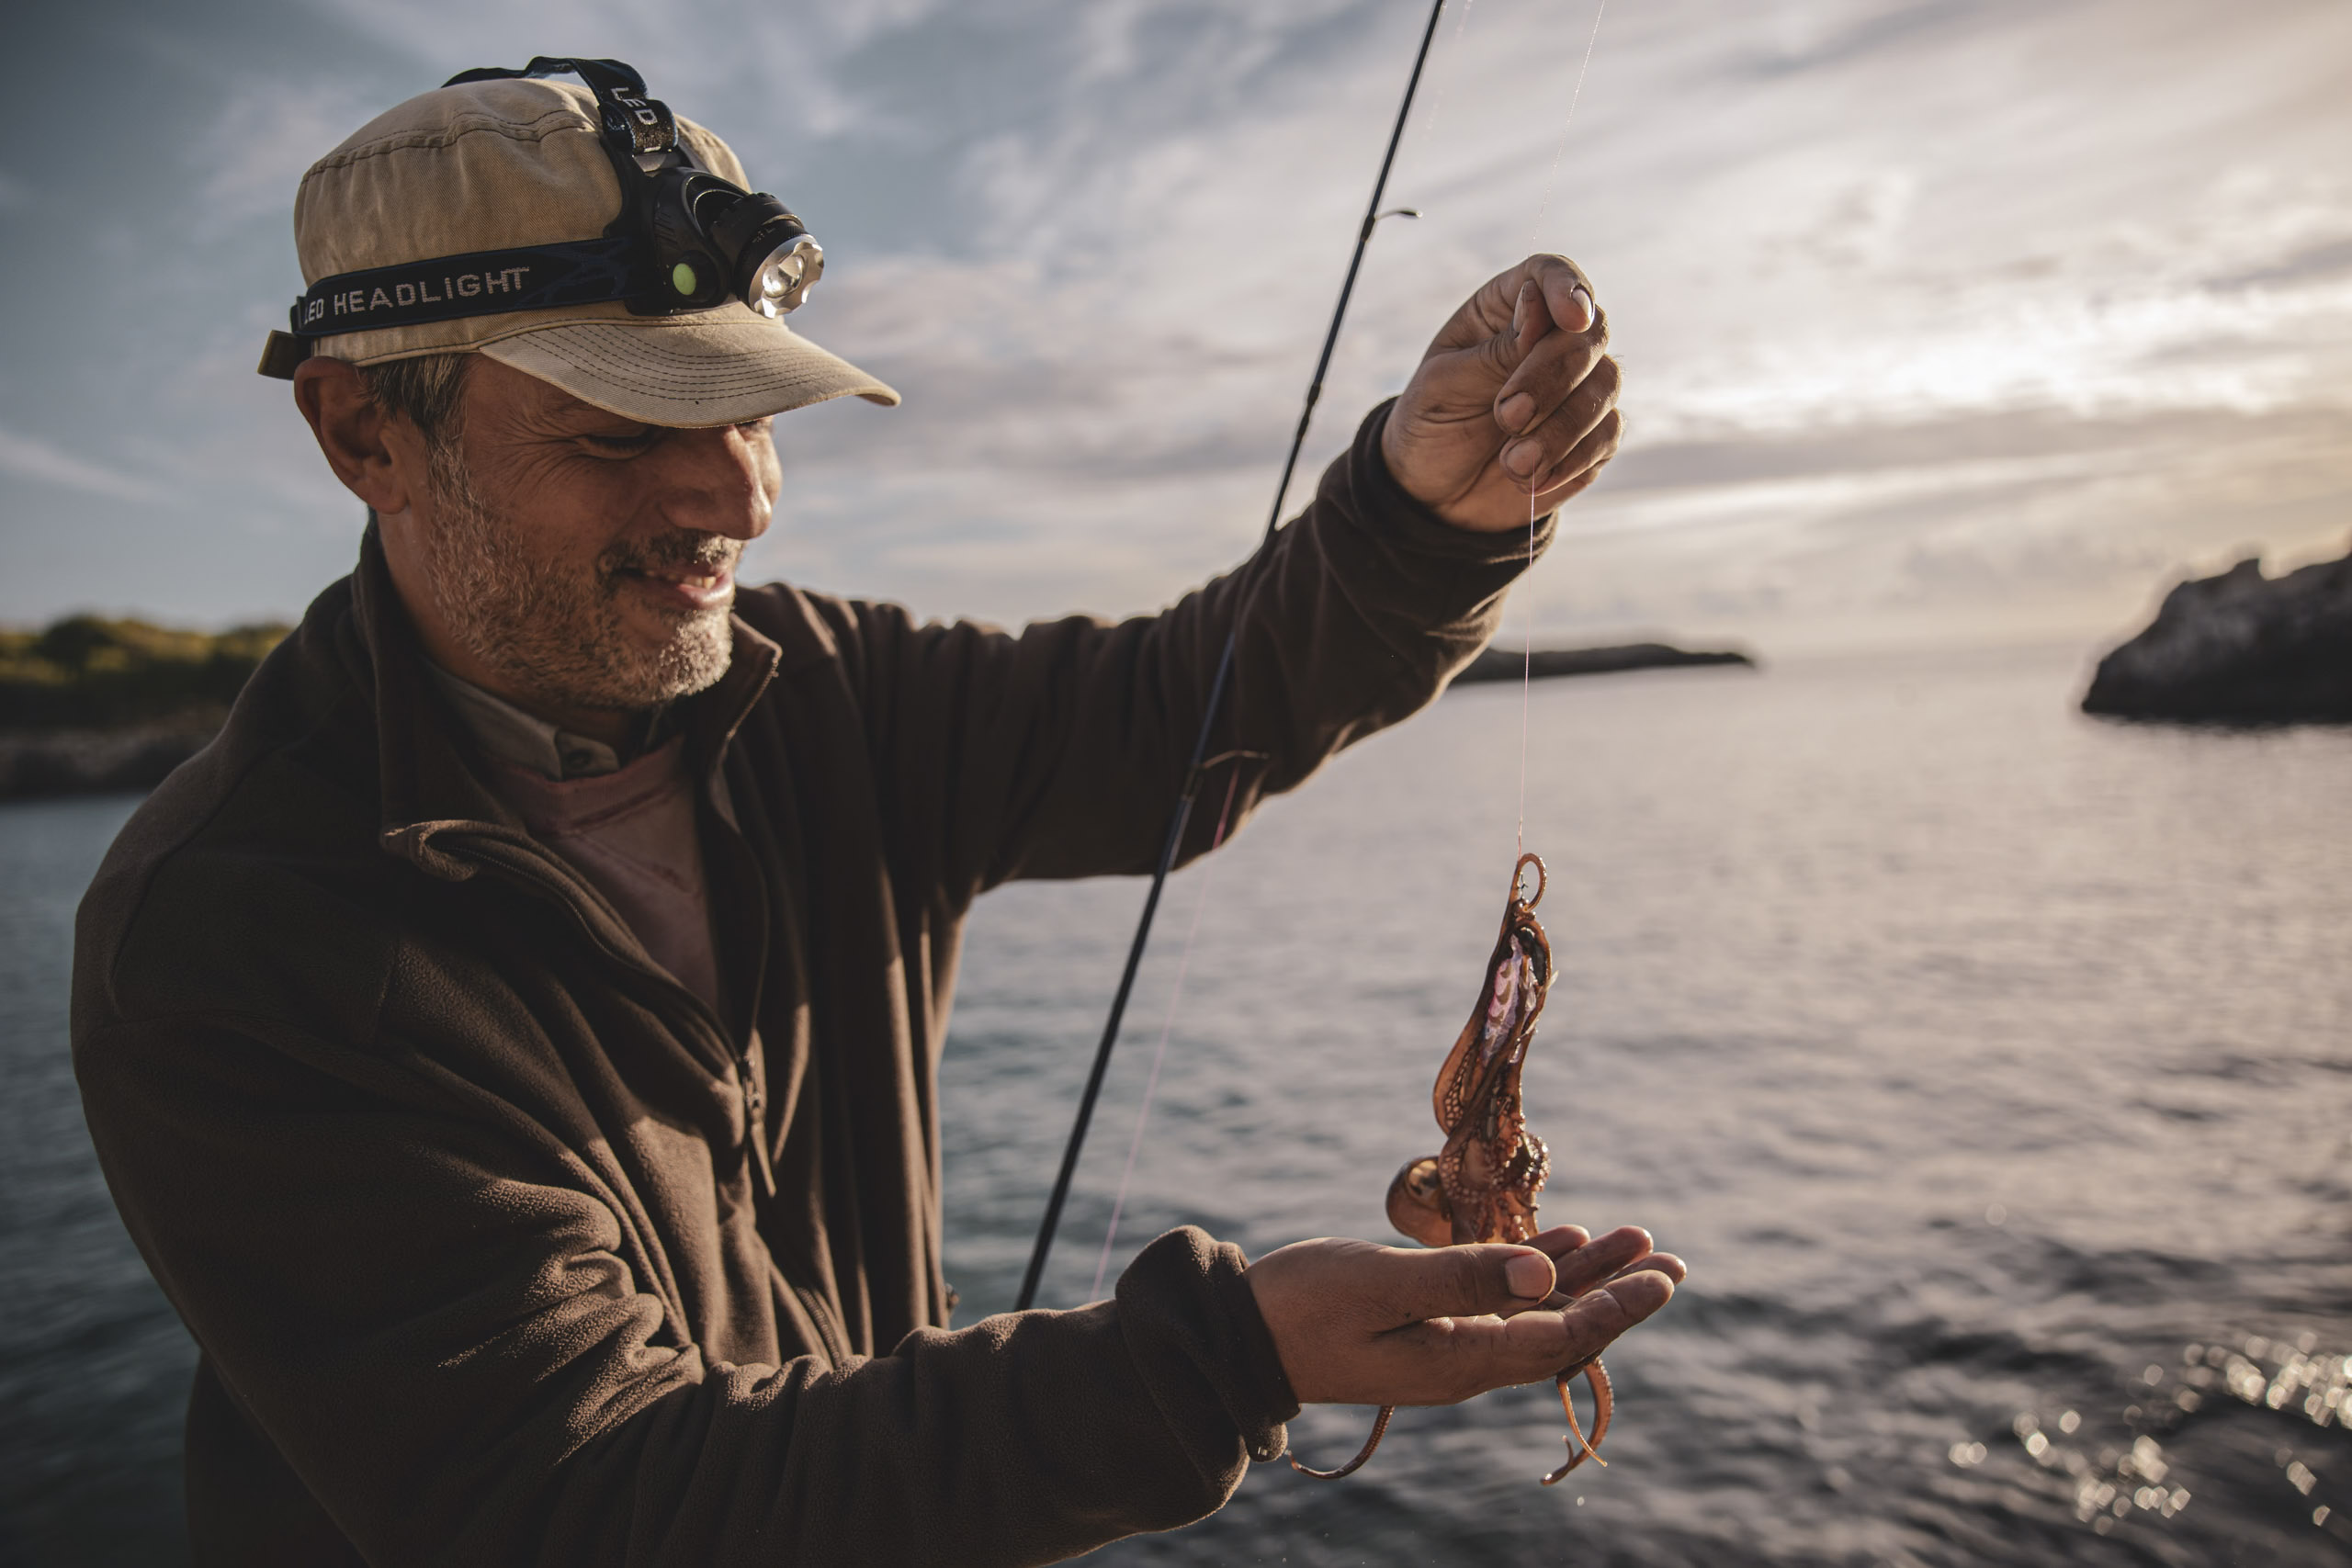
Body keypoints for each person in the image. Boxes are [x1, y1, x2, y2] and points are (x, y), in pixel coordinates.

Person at [71, 62, 1680, 1567]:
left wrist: (1420, 515)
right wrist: (1221, 1360)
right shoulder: (230, 932)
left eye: (751, 411)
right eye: (624, 429)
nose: (735, 499)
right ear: (366, 434)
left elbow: (1174, 714)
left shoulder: (826, 687)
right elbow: (585, 1493)